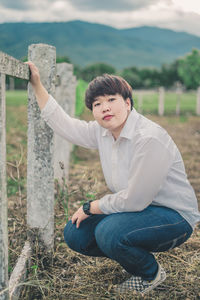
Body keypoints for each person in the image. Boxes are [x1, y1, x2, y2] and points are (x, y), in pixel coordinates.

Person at [27, 61, 200, 295]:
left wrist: (92, 206)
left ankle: (150, 274)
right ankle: (134, 257)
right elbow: (66, 125)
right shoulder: (103, 132)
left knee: (109, 232)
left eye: (111, 100)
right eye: (97, 104)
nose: (105, 108)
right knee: (76, 233)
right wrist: (37, 85)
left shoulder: (148, 138)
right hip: (140, 211)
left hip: (174, 216)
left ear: (127, 103)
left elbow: (136, 200)